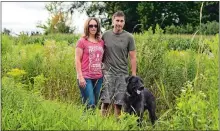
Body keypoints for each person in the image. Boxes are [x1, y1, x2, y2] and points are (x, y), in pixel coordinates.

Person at [100, 11, 137, 118]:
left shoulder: (129, 37)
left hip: (123, 75)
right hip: (108, 73)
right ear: (113, 21)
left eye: (121, 21)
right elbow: (99, 50)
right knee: (105, 101)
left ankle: (117, 124)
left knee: (119, 103)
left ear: (124, 23)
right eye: (117, 20)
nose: (119, 23)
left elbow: (133, 57)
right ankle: (101, 122)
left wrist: (133, 74)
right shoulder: (106, 35)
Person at [75, 17, 104, 110]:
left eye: (95, 26)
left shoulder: (101, 42)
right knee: (90, 103)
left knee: (95, 104)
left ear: (98, 27)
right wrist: (80, 77)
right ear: (87, 27)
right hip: (85, 77)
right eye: (91, 25)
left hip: (99, 77)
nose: (93, 28)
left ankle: (88, 123)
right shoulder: (82, 41)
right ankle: (85, 122)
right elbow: (77, 59)